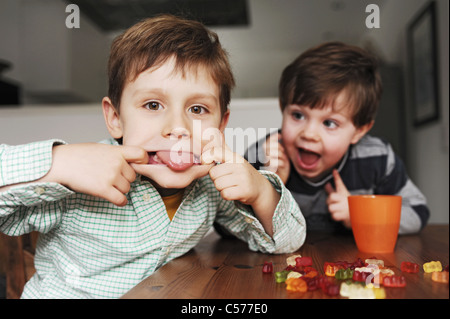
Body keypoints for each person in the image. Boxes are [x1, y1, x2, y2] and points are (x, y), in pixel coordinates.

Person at [0, 15, 306, 298]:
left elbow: (288, 243)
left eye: (197, 109)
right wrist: (58, 164)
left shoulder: (212, 186)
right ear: (116, 117)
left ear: (221, 125)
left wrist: (262, 191)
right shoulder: (78, 179)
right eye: (153, 105)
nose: (177, 128)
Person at [246, 42, 429, 234]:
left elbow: (418, 211)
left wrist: (360, 215)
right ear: (283, 108)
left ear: (359, 131)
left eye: (329, 123)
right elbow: (225, 224)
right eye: (298, 115)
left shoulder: (377, 158)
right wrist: (268, 187)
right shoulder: (263, 155)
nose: (309, 134)